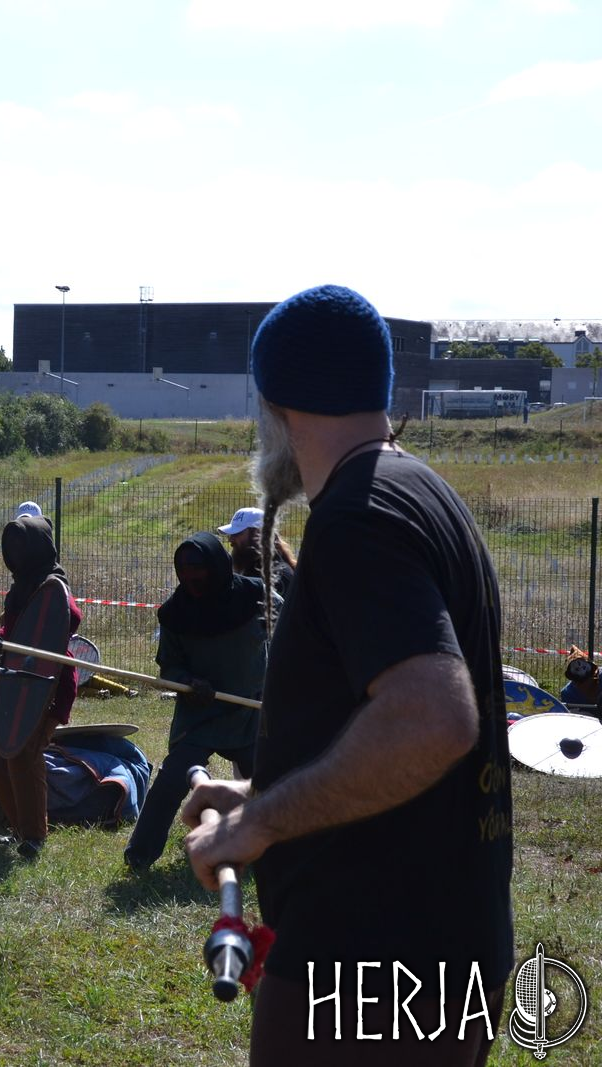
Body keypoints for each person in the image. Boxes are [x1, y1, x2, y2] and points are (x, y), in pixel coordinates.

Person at [181, 285, 512, 1065]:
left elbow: (433, 717)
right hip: (439, 955)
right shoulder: (421, 492)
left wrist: (259, 823)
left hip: (366, 972)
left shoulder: (358, 518)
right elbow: (378, 736)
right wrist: (265, 792)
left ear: (277, 406)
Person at [124, 532, 273, 871]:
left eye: (197, 567)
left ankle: (287, 849)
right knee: (173, 777)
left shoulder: (255, 596)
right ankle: (139, 855)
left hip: (250, 711)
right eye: (183, 568)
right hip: (201, 715)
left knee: (272, 782)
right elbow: (170, 667)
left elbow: (289, 631)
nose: (190, 576)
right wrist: (189, 682)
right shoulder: (175, 614)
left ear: (216, 565)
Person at [0, 514, 82, 859]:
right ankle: (19, 828)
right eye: (11, 547)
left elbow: (65, 622)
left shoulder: (53, 585)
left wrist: (15, 643)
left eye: (21, 546)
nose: (15, 554)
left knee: (24, 756)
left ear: (36, 547)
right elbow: (18, 630)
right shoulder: (20, 587)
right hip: (13, 682)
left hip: (45, 686)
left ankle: (34, 835)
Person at [218, 506, 295, 597]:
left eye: (237, 533)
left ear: (258, 535)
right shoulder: (252, 568)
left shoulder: (278, 577)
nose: (230, 539)